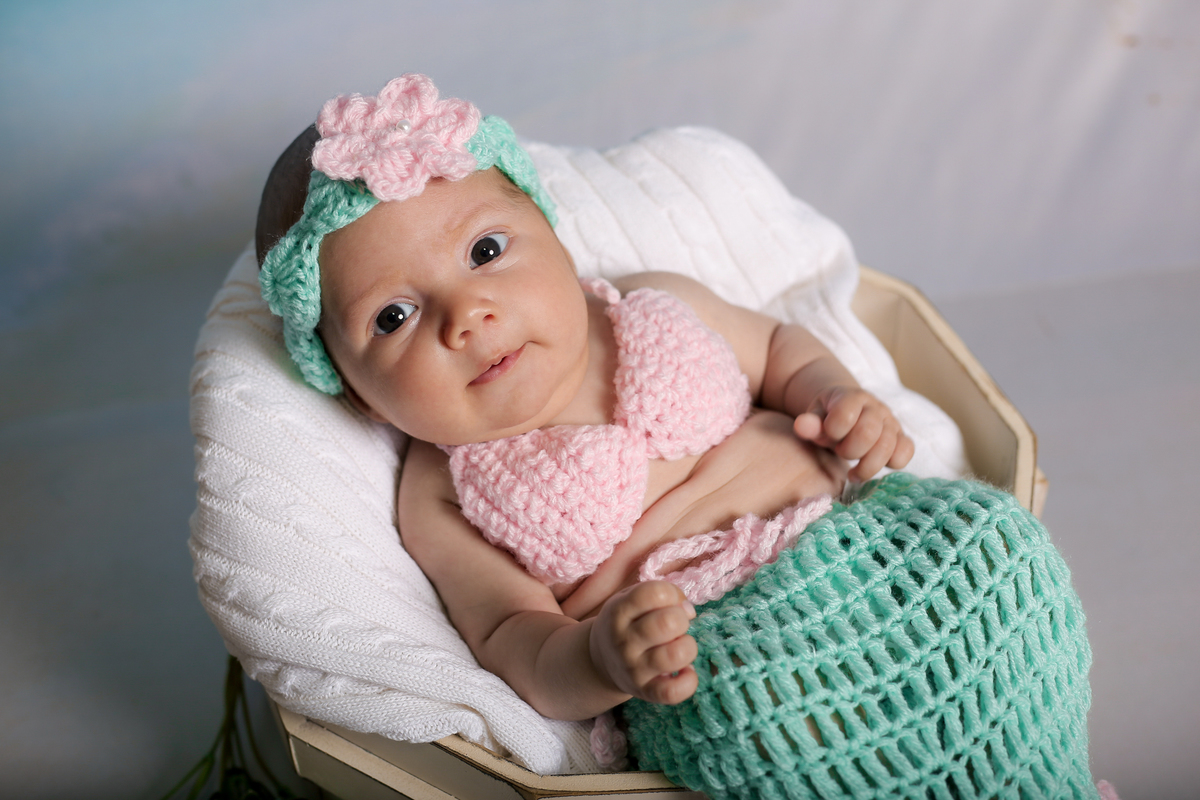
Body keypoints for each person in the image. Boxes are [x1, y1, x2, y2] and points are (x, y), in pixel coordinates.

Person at [258, 75, 1098, 799]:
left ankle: (1043, 773)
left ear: (552, 234)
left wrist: (838, 399)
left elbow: (779, 350)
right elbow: (513, 637)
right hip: (716, 644)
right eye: (394, 316)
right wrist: (601, 658)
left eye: (485, 249)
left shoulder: (651, 302)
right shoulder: (440, 491)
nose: (466, 315)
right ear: (354, 390)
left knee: (996, 543)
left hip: (857, 532)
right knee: (767, 726)